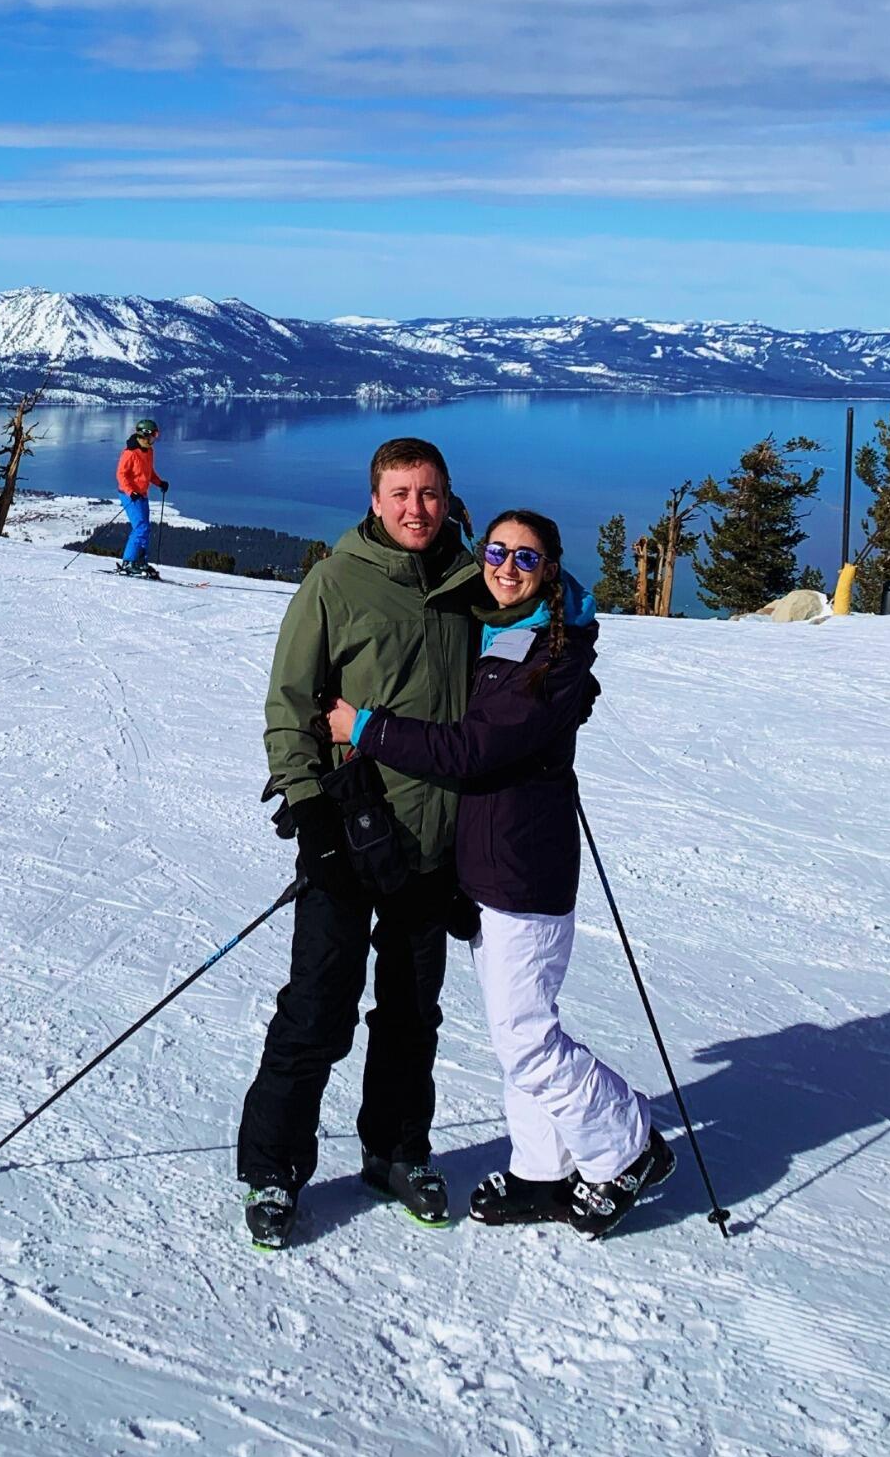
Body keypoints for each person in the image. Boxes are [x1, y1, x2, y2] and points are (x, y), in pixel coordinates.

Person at [326, 508, 673, 1240]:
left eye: (525, 557)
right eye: (496, 551)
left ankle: (625, 1145)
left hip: (524, 870)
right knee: (515, 1029)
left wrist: (364, 728)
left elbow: (471, 752)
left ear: (549, 568)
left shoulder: (553, 655)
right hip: (489, 866)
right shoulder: (493, 632)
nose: (505, 566)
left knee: (527, 1038)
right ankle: (540, 1170)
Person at [236, 438, 478, 1250]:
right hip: (352, 830)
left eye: (430, 493)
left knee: (412, 1016)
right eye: (400, 494)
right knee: (316, 1011)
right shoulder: (334, 583)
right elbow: (289, 702)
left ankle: (395, 1150)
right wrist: (308, 811)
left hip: (434, 843)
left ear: (448, 497)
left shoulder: (469, 584)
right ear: (374, 501)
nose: (416, 508)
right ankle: (273, 1169)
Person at [114, 418, 168, 579]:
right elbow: (121, 475)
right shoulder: (129, 453)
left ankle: (140, 561)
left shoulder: (149, 451)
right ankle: (129, 562)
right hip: (129, 495)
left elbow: (148, 472)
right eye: (153, 436)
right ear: (144, 435)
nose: (154, 440)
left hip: (142, 494)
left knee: (145, 528)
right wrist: (131, 492)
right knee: (140, 527)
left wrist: (160, 483)